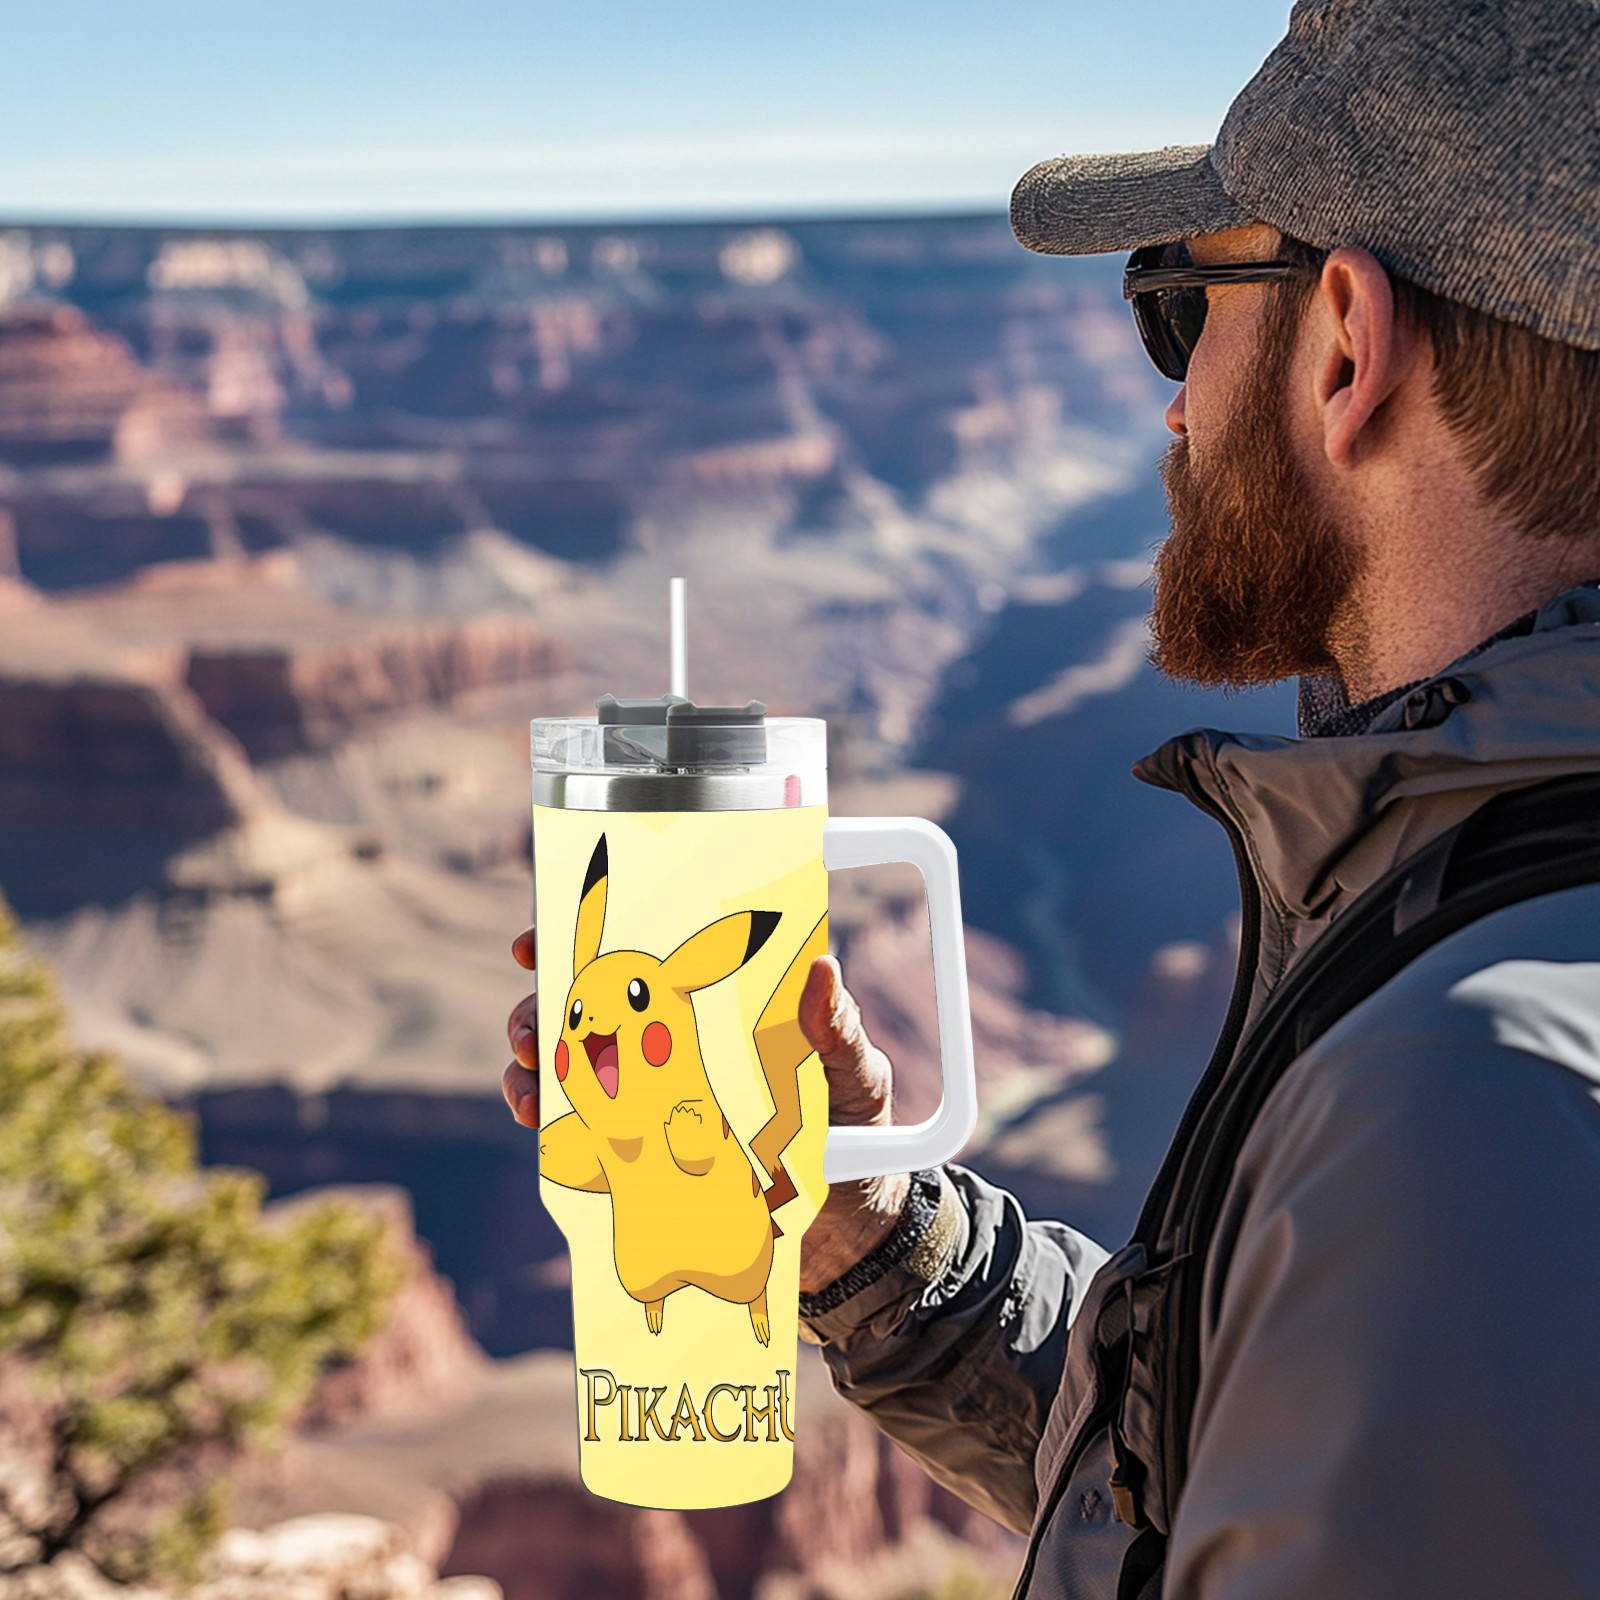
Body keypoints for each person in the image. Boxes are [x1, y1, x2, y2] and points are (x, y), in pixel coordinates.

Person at [504, 0, 1600, 1592]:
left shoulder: (1459, 1103)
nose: (1173, 402)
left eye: (1182, 305)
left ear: (1347, 344)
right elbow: (1236, 1472)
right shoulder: (1493, 964)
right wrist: (864, 1228)